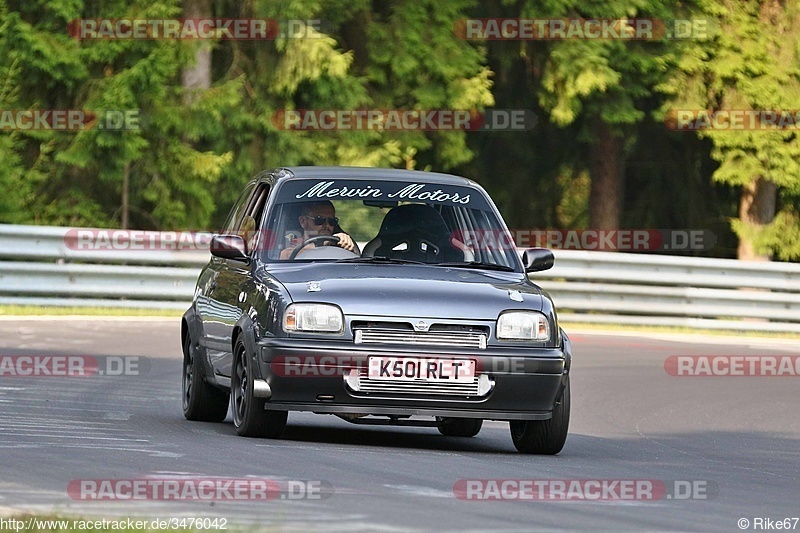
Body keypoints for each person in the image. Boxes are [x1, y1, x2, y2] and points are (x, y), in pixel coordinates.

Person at [280, 200, 356, 259]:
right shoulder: (289, 250)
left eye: (332, 221)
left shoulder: (339, 245)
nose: (327, 225)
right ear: (303, 221)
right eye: (319, 220)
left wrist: (345, 242)